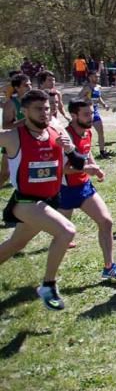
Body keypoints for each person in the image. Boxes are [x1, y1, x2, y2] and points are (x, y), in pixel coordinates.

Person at [0, 89, 81, 310]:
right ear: (24, 111)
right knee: (66, 230)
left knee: (14, 245)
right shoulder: (13, 136)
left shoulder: (56, 133)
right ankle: (48, 286)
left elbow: (79, 165)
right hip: (25, 203)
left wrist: (71, 149)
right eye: (38, 109)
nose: (44, 113)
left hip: (47, 202)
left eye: (47, 108)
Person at [57, 100, 116, 279]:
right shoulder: (66, 137)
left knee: (106, 221)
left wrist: (94, 166)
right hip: (64, 191)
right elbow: (60, 170)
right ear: (74, 116)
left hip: (84, 188)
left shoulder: (87, 132)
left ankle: (109, 267)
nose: (91, 118)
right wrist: (85, 169)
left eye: (91, 113)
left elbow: (86, 152)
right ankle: (49, 278)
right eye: (86, 114)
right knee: (61, 236)